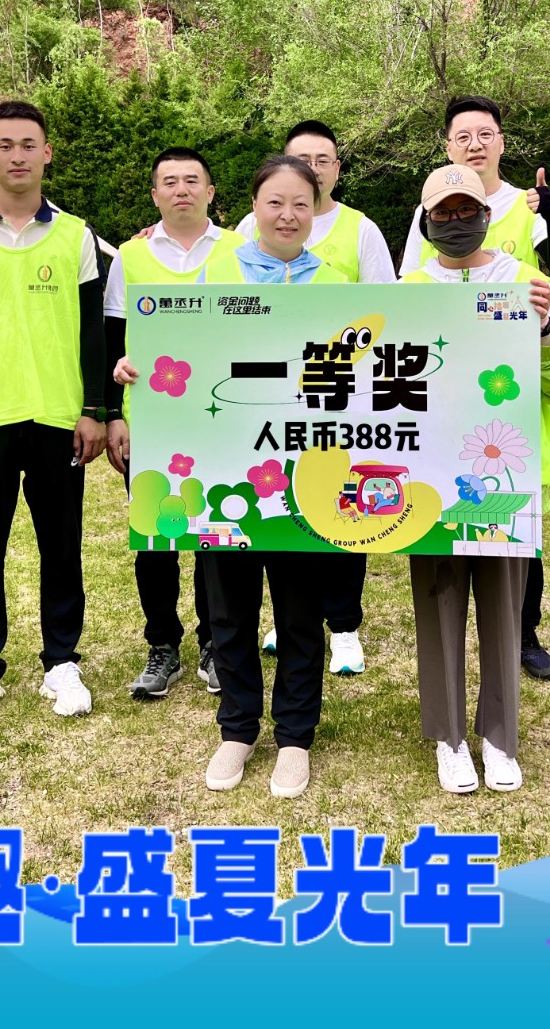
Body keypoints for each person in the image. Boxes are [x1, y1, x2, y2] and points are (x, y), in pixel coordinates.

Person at [115, 156, 347, 799]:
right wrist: (136, 365)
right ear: (253, 207)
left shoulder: (338, 284)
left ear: (315, 209)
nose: (287, 215)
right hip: (226, 472)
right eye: (274, 202)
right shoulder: (215, 273)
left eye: (300, 203)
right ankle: (238, 728)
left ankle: (295, 736)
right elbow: (179, 353)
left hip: (304, 472)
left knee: (300, 613)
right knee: (230, 611)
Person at [401, 164, 550, 794]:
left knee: (505, 609)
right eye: (442, 213)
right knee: (439, 603)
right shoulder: (407, 289)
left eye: (466, 210)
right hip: (429, 477)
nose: (455, 222)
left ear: (487, 215)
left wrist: (547, 332)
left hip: (506, 476)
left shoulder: (529, 283)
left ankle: (500, 738)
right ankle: (449, 736)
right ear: (426, 223)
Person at [0, 100, 106, 728]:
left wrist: (93, 410)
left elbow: (93, 332)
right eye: (5, 145)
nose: (17, 156)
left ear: (46, 153)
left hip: (59, 417)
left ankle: (61, 661)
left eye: (29, 144)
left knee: (62, 546)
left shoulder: (76, 235)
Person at [235, 120, 396, 677]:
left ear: (334, 170)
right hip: (259, 401)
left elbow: (386, 312)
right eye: (301, 159)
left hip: (334, 396)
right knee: (277, 509)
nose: (311, 169)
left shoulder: (359, 230)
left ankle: (344, 626)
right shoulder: (244, 237)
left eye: (322, 160)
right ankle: (288, 618)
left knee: (340, 506)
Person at [104, 148, 244, 701]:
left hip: (221, 418)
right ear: (155, 194)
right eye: (169, 181)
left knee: (216, 534)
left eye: (191, 180)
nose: (181, 189)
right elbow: (112, 337)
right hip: (151, 419)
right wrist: (113, 400)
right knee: (155, 538)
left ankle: (215, 643)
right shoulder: (131, 256)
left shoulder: (240, 249)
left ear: (210, 192)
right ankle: (162, 645)